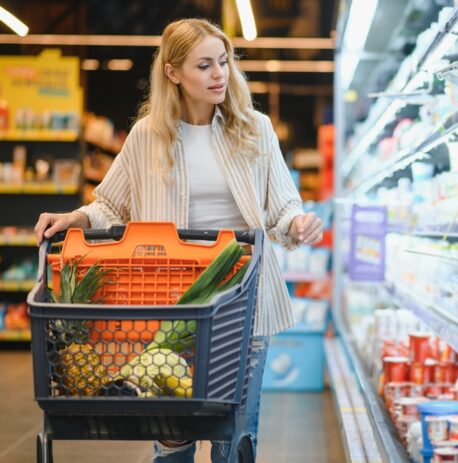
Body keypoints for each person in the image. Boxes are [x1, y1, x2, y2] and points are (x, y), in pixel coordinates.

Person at [33, 18, 323, 462]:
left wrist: (298, 223)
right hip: (167, 304)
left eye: (224, 62)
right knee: (170, 434)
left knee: (235, 435)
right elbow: (110, 207)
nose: (219, 74)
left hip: (243, 303)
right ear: (173, 73)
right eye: (204, 65)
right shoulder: (147, 136)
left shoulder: (254, 128)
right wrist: (73, 217)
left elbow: (282, 208)